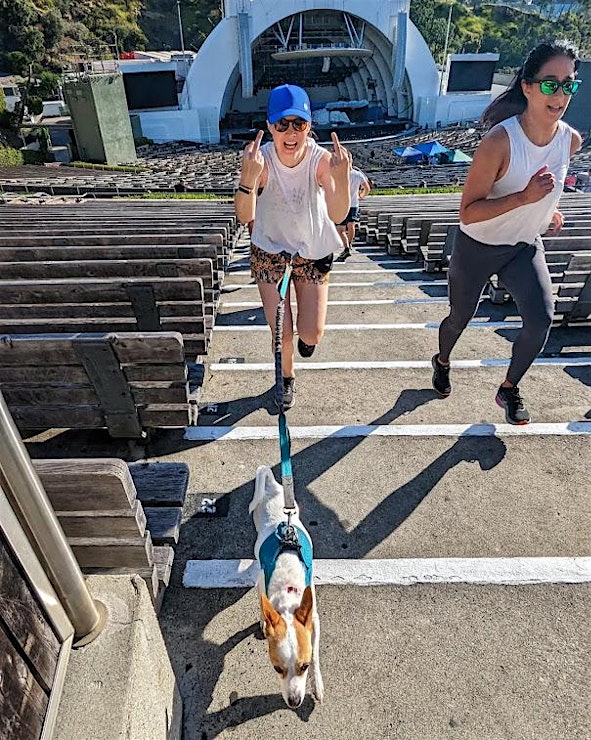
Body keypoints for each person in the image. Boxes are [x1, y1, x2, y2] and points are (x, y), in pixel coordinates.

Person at [431, 39, 582, 424]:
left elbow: (553, 181)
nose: (560, 93)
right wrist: (526, 198)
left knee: (541, 318)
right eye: (551, 83)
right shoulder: (499, 142)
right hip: (477, 246)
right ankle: (442, 359)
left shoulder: (571, 140)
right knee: (459, 319)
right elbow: (467, 214)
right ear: (528, 87)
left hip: (522, 247)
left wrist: (550, 209)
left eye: (569, 84)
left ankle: (509, 388)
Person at [235, 84, 350, 410]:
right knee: (281, 334)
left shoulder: (321, 160)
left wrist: (341, 179)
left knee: (311, 333)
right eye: (281, 124)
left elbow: (338, 213)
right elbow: (245, 216)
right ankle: (286, 377)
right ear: (270, 126)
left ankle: (306, 341)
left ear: (309, 126)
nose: (290, 132)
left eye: (298, 124)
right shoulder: (262, 161)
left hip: (311, 251)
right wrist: (248, 177)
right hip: (269, 251)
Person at [337, 152, 371, 256]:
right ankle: (350, 244)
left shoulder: (338, 173)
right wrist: (361, 195)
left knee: (340, 229)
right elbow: (367, 188)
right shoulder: (358, 174)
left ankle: (346, 246)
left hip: (342, 204)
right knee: (351, 225)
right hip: (354, 203)